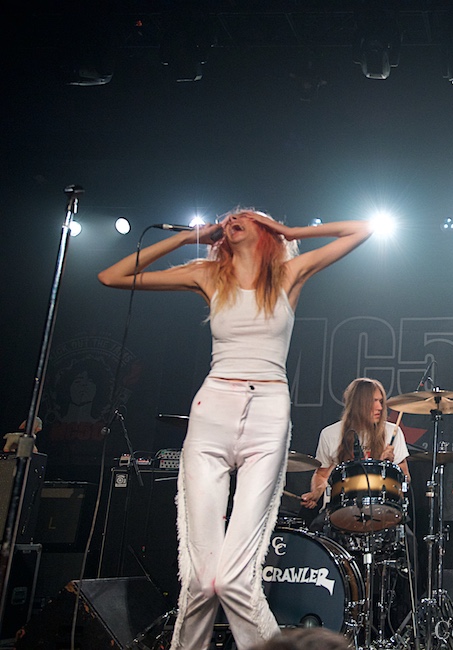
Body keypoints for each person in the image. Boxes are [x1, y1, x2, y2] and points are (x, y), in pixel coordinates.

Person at [98, 209, 372, 649]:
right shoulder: (208, 275)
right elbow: (112, 276)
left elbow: (361, 228)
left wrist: (292, 231)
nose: (233, 217)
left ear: (266, 232)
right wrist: (186, 239)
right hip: (213, 409)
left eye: (247, 215)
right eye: (229, 216)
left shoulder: (288, 275)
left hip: (268, 411)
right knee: (202, 579)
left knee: (234, 579)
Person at [300, 377, 410, 525]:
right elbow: (321, 474)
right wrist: (317, 492)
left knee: (407, 536)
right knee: (315, 530)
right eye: (374, 401)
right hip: (338, 509)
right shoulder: (330, 434)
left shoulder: (392, 432)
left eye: (381, 401)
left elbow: (406, 478)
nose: (380, 407)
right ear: (358, 404)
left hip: (381, 510)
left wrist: (390, 466)